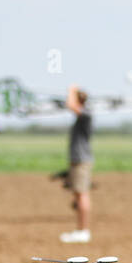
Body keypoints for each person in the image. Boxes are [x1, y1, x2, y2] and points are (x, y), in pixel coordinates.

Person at [60, 84, 93, 243]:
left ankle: (83, 230)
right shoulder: (82, 116)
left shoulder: (86, 114)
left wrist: (71, 91)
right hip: (77, 160)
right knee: (78, 195)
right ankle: (80, 229)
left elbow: (70, 105)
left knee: (82, 194)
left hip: (81, 161)